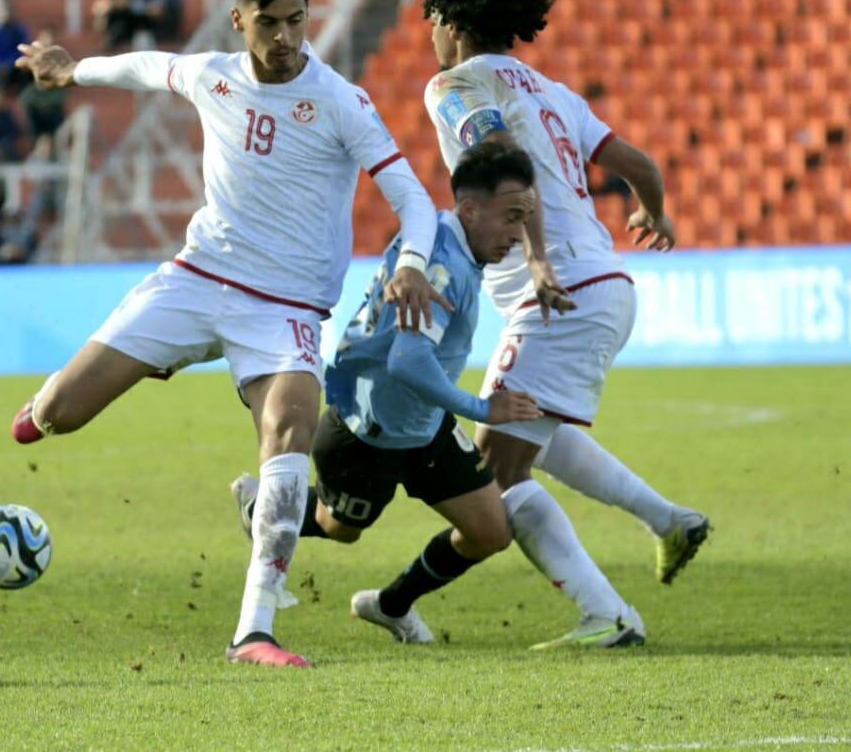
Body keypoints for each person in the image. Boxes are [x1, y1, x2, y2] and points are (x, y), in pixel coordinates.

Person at [9, 0, 446, 669]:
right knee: (58, 413)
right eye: (268, 22)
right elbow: (150, 67)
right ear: (240, 18)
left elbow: (415, 202)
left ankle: (255, 630)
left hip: (288, 308)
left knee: (289, 431)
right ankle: (121, 372)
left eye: (296, 20)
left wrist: (411, 264)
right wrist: (72, 69)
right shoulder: (214, 74)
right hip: (198, 278)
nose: (284, 37)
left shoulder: (340, 101)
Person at [412, 0, 710, 644]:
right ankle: (669, 519)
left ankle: (606, 615)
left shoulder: (455, 86)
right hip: (608, 285)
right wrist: (655, 211)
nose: (427, 31)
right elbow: (637, 162)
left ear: (453, 20)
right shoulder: (552, 90)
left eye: (431, 16)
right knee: (531, 435)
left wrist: (538, 259)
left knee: (490, 474)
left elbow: (503, 161)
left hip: (557, 292)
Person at [232, 142, 647, 646]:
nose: (519, 235)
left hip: (426, 424)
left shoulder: (453, 247)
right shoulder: (442, 264)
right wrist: (481, 407)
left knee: (490, 533)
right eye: (511, 218)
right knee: (338, 527)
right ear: (470, 209)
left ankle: (391, 605)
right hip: (368, 430)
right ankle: (262, 510)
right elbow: (405, 361)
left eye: (525, 220)